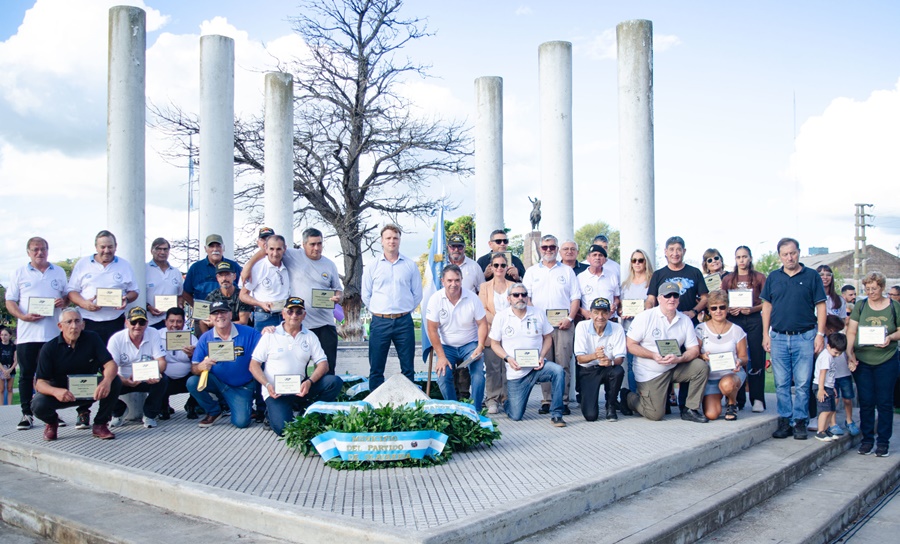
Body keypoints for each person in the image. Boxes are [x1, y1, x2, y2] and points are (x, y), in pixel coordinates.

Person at [243, 228, 344, 374]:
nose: (316, 248)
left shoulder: (330, 265)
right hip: (300, 324)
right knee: (296, 367)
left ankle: (322, 396)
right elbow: (268, 250)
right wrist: (248, 266)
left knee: (327, 366)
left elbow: (338, 290)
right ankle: (301, 395)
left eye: (319, 244)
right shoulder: (292, 255)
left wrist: (338, 297)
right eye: (312, 244)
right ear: (303, 245)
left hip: (325, 323)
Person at [761, 237, 827, 441]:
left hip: (805, 337)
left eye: (793, 253)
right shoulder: (773, 277)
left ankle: (800, 421)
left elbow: (821, 307)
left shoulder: (812, 276)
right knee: (781, 383)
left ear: (799, 252)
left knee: (802, 383)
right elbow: (767, 306)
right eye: (785, 254)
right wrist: (765, 333)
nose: (790, 257)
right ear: (780, 256)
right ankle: (784, 420)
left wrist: (820, 334)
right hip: (779, 337)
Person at [249, 297, 343, 436]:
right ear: (283, 313)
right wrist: (267, 385)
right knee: (284, 430)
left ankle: (308, 411)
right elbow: (253, 365)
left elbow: (323, 364)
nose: (294, 315)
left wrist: (309, 382)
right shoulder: (270, 335)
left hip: (300, 387)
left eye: (299, 312)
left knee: (334, 382)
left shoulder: (310, 336)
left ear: (304, 315)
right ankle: (273, 411)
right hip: (275, 390)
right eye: (290, 311)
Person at [622, 282, 710, 423]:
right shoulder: (645, 317)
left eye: (675, 295)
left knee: (700, 367)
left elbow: (694, 350)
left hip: (674, 366)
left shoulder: (685, 320)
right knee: (655, 414)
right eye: (667, 295)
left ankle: (690, 409)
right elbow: (630, 345)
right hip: (650, 372)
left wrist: (679, 359)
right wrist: (653, 356)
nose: (672, 299)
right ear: (659, 298)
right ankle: (628, 397)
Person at [5, 236, 68, 430]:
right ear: (28, 252)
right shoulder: (19, 273)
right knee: (26, 376)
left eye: (43, 249)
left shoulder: (58, 271)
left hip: (53, 335)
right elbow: (10, 301)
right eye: (35, 249)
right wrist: (23, 316)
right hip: (27, 335)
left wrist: (63, 302)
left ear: (48, 250)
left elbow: (67, 297)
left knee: (54, 376)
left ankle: (51, 414)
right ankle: (26, 414)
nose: (40, 253)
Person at [31, 308, 121, 441]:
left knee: (115, 381)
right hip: (63, 393)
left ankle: (100, 424)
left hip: (90, 390)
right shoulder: (49, 348)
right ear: (60, 326)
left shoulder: (93, 338)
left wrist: (106, 382)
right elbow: (40, 383)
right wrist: (56, 392)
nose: (74, 326)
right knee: (38, 404)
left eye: (77, 321)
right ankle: (52, 422)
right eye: (69, 322)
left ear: (83, 324)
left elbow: (110, 364)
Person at [488, 283, 567, 426]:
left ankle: (556, 414)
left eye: (524, 295)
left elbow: (548, 337)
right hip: (516, 372)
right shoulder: (501, 317)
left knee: (558, 371)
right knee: (516, 415)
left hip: (537, 367)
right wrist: (508, 358)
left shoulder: (538, 313)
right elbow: (494, 343)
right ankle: (507, 403)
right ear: (509, 298)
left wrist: (542, 356)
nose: (520, 298)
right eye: (516, 295)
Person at [522, 234, 581, 415]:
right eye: (545, 247)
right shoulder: (532, 271)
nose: (548, 250)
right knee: (545, 363)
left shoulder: (567, 271)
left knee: (563, 363)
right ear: (540, 249)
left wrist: (570, 318)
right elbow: (527, 298)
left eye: (552, 247)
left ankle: (562, 401)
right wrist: (538, 320)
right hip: (541, 327)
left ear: (557, 249)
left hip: (563, 324)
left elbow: (575, 298)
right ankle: (547, 400)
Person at [846, 271, 900, 457]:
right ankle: (867, 439)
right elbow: (851, 331)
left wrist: (890, 337)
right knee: (866, 401)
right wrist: (849, 352)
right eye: (867, 289)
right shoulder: (860, 306)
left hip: (887, 359)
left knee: (884, 402)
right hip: (863, 360)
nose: (871, 292)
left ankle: (883, 442)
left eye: (874, 289)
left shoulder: (894, 306)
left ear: (882, 288)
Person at [362, 224, 422, 390]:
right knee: (376, 368)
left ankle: (409, 405)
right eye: (388, 238)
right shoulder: (373, 266)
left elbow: (417, 293)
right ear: (381, 241)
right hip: (380, 322)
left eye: (395, 238)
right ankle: (375, 406)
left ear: (399, 241)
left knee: (408, 367)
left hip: (404, 322)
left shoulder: (410, 265)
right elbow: (366, 294)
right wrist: (379, 310)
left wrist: (404, 310)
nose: (392, 241)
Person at [187, 301, 261, 429]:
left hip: (241, 386)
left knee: (241, 423)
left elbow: (265, 352)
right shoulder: (205, 338)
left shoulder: (250, 333)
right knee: (192, 382)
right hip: (218, 382)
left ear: (231, 314)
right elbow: (194, 368)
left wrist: (269, 332)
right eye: (215, 313)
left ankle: (241, 406)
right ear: (210, 318)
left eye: (223, 312)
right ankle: (214, 410)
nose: (219, 316)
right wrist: (200, 367)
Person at [425, 265, 488, 410]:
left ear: (462, 280)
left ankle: (476, 410)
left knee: (478, 375)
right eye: (450, 280)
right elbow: (432, 329)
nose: (454, 284)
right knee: (442, 375)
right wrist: (440, 356)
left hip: (470, 345)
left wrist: (480, 346)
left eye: (457, 280)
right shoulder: (435, 299)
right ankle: (454, 409)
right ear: (442, 281)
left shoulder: (472, 298)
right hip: (446, 346)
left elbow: (483, 324)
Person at [66, 230, 139, 344]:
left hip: (115, 321)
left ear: (116, 247)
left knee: (113, 358)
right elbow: (71, 291)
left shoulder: (125, 265)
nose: (106, 251)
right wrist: (84, 303)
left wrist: (127, 299)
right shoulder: (83, 264)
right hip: (88, 321)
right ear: (96, 247)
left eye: (110, 247)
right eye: (103, 247)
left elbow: (134, 291)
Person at [720, 245, 767, 412]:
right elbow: (722, 300)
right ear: (735, 259)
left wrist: (752, 309)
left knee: (756, 357)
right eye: (739, 257)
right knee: (736, 358)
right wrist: (728, 308)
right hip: (735, 319)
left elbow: (767, 303)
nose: (742, 260)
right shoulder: (728, 279)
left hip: (754, 319)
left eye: (745, 256)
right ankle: (736, 399)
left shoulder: (760, 278)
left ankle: (757, 399)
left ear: (750, 258)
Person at [106, 307, 168, 429]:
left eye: (142, 322)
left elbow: (162, 362)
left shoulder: (153, 333)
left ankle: (149, 415)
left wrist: (156, 372)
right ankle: (118, 412)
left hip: (146, 377)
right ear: (126, 322)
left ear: (147, 323)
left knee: (163, 379)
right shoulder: (116, 339)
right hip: (122, 379)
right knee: (105, 381)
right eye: (133, 322)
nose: (137, 326)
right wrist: (124, 380)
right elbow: (110, 367)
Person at [694, 290, 748, 421]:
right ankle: (718, 397)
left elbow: (744, 357)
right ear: (709, 310)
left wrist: (739, 362)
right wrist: (702, 356)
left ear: (727, 308)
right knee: (711, 414)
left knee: (727, 384)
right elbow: (695, 353)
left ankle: (732, 403)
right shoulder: (700, 329)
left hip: (730, 374)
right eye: (714, 308)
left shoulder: (737, 330)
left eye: (722, 307)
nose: (718, 311)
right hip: (711, 376)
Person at [574, 297, 626, 421]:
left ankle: (611, 405)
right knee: (590, 416)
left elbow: (620, 358)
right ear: (590, 313)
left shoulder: (617, 328)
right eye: (596, 313)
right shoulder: (581, 326)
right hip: (588, 370)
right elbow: (580, 359)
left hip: (607, 368)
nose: (600, 317)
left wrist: (610, 361)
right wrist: (595, 355)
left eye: (604, 312)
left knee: (618, 370)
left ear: (609, 313)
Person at [646, 236, 708, 323]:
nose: (675, 253)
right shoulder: (658, 274)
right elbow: (651, 299)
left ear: (684, 251)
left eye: (678, 249)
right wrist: (648, 313)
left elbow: (705, 298)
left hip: (689, 322)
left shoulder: (695, 272)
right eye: (671, 249)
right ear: (666, 251)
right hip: (663, 323)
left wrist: (693, 312)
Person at [478, 252, 511, 414]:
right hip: (492, 332)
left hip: (511, 333)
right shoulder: (484, 287)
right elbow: (482, 309)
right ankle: (492, 399)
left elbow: (519, 305)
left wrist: (507, 321)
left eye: (502, 265)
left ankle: (506, 398)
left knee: (508, 367)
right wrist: (500, 321)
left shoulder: (514, 286)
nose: (499, 268)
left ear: (507, 267)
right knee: (492, 368)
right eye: (496, 265)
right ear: (491, 267)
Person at [620, 249, 654, 392]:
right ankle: (634, 396)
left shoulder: (652, 281)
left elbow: (653, 304)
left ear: (646, 262)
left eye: (641, 260)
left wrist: (641, 311)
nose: (637, 263)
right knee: (630, 364)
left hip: (648, 329)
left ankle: (649, 395)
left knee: (649, 363)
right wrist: (622, 312)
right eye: (634, 260)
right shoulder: (625, 284)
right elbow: (620, 308)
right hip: (629, 329)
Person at [183, 234, 242, 317]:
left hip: (229, 315)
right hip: (204, 315)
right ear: (205, 249)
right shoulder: (195, 268)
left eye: (218, 246)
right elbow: (185, 292)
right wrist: (197, 307)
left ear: (223, 248)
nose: (215, 249)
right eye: (211, 246)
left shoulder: (234, 266)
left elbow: (243, 289)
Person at [240, 234, 290, 332]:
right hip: (264, 316)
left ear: (285, 249)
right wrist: (260, 303)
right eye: (272, 249)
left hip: (285, 317)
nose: (275, 253)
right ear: (266, 249)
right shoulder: (257, 268)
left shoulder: (289, 264)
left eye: (279, 249)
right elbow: (242, 295)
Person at [160, 307, 200, 419]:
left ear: (183, 322)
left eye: (179, 321)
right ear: (165, 322)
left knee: (200, 374)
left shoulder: (191, 338)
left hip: (186, 378)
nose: (175, 325)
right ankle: (163, 406)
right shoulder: (157, 336)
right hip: (165, 378)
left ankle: (191, 405)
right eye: (171, 321)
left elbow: (198, 362)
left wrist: (192, 355)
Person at [199, 262, 252, 334]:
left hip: (241, 333)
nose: (224, 279)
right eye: (221, 276)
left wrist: (218, 324)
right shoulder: (211, 297)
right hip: (218, 334)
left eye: (227, 275)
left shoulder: (242, 296)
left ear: (234, 276)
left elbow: (243, 322)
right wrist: (207, 339)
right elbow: (203, 321)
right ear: (217, 278)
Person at [813, 332, 847, 441]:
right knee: (825, 410)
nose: (837, 355)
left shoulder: (830, 356)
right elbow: (822, 374)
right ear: (828, 346)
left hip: (828, 386)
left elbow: (830, 375)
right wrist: (821, 389)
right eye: (836, 352)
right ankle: (820, 431)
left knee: (831, 409)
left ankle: (826, 429)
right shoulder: (826, 356)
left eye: (840, 353)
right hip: (821, 386)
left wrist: (832, 387)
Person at [145, 237, 184, 330]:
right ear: (151, 251)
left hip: (172, 324)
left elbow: (180, 295)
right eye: (158, 249)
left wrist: (180, 304)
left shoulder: (176, 272)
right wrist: (148, 307)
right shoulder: (144, 269)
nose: (162, 252)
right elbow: (138, 295)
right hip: (151, 322)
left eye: (165, 249)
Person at [577, 244, 621, 320]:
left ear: (604, 260)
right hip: (588, 319)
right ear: (588, 258)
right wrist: (583, 311)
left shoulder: (612, 276)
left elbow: (616, 298)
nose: (597, 258)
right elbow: (575, 300)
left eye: (600, 255)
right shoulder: (580, 277)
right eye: (594, 255)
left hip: (609, 318)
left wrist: (614, 305)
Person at [1, 327, 16, 405]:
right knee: (1, 389)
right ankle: (1, 405)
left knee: (10, 388)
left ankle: (9, 405)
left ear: (10, 336)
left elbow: (16, 360)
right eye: (2, 335)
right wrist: (3, 370)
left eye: (5, 335)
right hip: (1, 369)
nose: (3, 337)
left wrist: (10, 369)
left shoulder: (13, 346)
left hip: (11, 369)